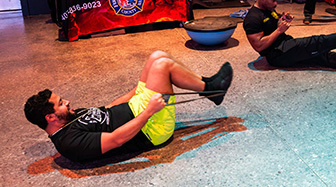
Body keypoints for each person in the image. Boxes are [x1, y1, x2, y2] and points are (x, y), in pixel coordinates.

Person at [24, 51, 233, 162]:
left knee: (157, 57)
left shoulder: (69, 117)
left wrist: (139, 89)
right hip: (150, 129)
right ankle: (211, 88)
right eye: (61, 103)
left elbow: (109, 108)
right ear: (50, 118)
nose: (67, 102)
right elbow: (117, 139)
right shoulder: (69, 143)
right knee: (163, 66)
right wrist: (149, 110)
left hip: (137, 109)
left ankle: (210, 87)